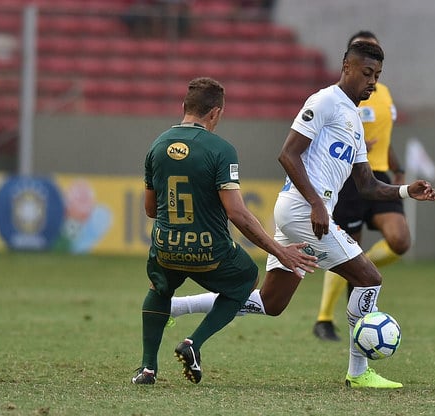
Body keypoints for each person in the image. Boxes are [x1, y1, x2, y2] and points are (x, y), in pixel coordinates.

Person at [170, 42, 435, 388]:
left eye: (378, 76)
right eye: (367, 73)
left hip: (302, 214)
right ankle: (358, 373)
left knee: (271, 302)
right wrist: (315, 203)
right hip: (303, 211)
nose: (372, 82)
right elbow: (288, 155)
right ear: (347, 67)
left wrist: (404, 191)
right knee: (369, 278)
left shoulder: (354, 120)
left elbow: (367, 185)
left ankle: (175, 310)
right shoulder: (324, 101)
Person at [132, 77, 318, 385]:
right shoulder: (221, 150)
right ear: (216, 113)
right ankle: (194, 343)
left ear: (184, 107)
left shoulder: (157, 145)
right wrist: (279, 250)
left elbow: (151, 210)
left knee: (159, 289)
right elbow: (237, 213)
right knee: (246, 277)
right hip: (208, 251)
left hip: (166, 248)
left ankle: (147, 369)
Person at [313, 30, 410, 342]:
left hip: (379, 175)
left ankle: (362, 266)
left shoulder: (384, 93)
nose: (373, 72)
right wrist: (353, 144)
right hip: (351, 179)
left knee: (400, 239)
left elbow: (386, 137)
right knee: (343, 252)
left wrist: (397, 167)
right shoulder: (338, 98)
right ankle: (324, 318)